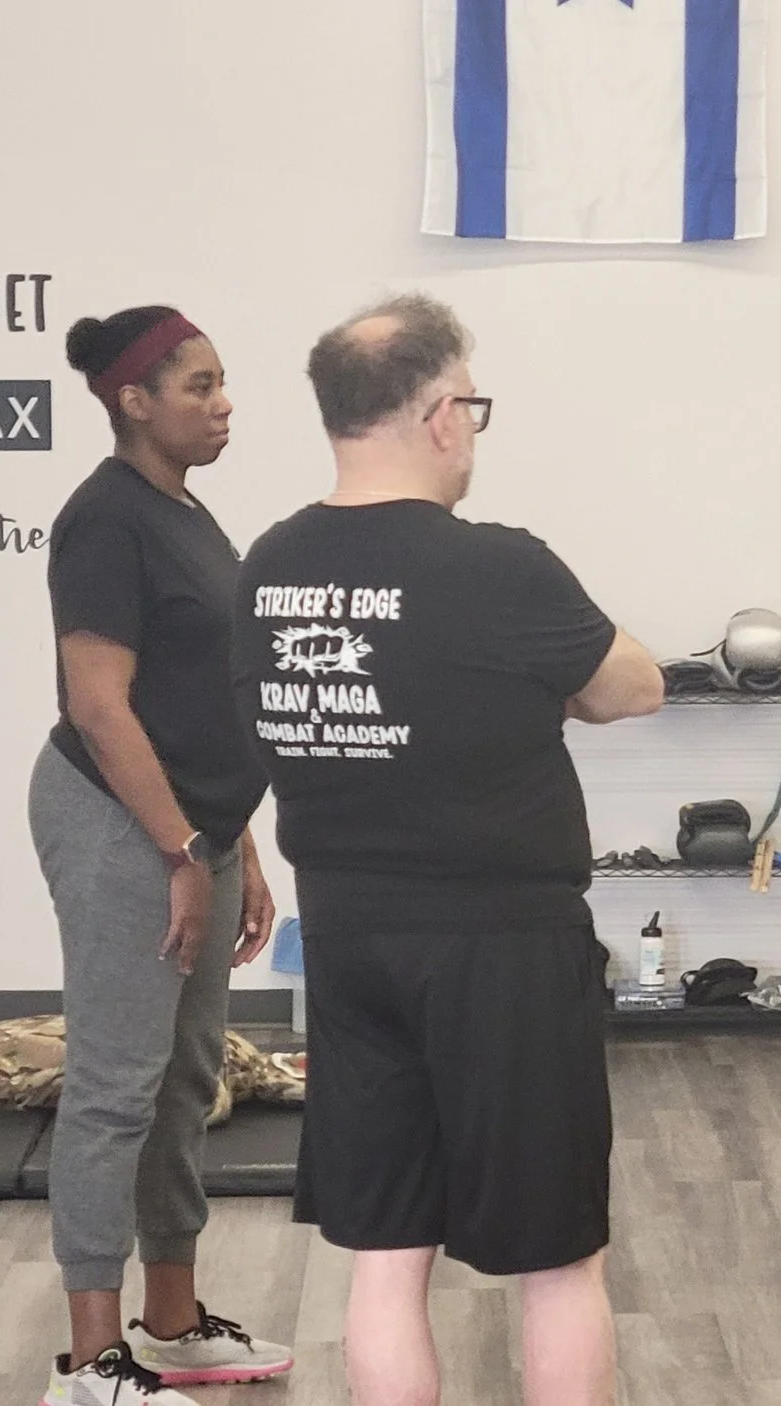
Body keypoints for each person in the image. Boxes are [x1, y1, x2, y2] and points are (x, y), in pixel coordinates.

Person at [233, 293, 662, 1406]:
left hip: (349, 937)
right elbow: (636, 685)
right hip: (500, 947)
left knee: (386, 1253)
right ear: (436, 413)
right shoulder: (499, 568)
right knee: (557, 1258)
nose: (472, 426)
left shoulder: (268, 569)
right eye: (470, 403)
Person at [33, 306, 295, 1406]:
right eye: (199, 385)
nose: (223, 402)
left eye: (224, 382)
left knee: (187, 1080)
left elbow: (204, 694)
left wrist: (236, 842)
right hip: (119, 821)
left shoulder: (187, 512)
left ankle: (173, 1322)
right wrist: (181, 848)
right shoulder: (104, 521)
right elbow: (102, 707)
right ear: (133, 400)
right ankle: (92, 1362)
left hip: (197, 826)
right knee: (115, 1084)